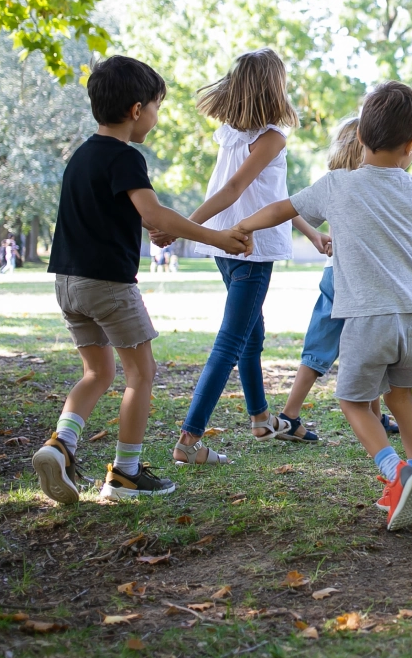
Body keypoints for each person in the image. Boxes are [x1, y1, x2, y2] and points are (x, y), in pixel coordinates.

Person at [235, 81, 412, 530]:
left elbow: (282, 209)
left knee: (352, 400)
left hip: (367, 319)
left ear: (360, 139)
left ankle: (397, 472)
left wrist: (245, 226)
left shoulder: (336, 185)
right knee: (402, 399)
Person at [32, 55, 250, 504]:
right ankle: (126, 473)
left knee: (96, 371)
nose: (155, 115)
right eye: (156, 106)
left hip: (67, 284)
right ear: (136, 110)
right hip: (108, 286)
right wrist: (217, 237)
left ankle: (61, 445)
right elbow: (153, 214)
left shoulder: (80, 157)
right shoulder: (126, 157)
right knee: (141, 374)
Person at [164, 48, 329, 466]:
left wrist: (309, 231)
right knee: (232, 340)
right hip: (248, 247)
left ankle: (259, 418)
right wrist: (182, 226)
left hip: (227, 243)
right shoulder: (270, 135)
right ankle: (189, 439)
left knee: (251, 336)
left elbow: (273, 195)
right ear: (275, 86)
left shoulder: (231, 133)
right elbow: (234, 190)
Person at [278, 117, 400, 444]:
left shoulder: (334, 181)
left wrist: (316, 235)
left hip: (334, 273)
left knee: (326, 345)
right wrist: (319, 236)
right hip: (358, 278)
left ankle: (291, 414)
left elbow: (291, 208)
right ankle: (295, 415)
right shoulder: (373, 181)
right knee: (368, 342)